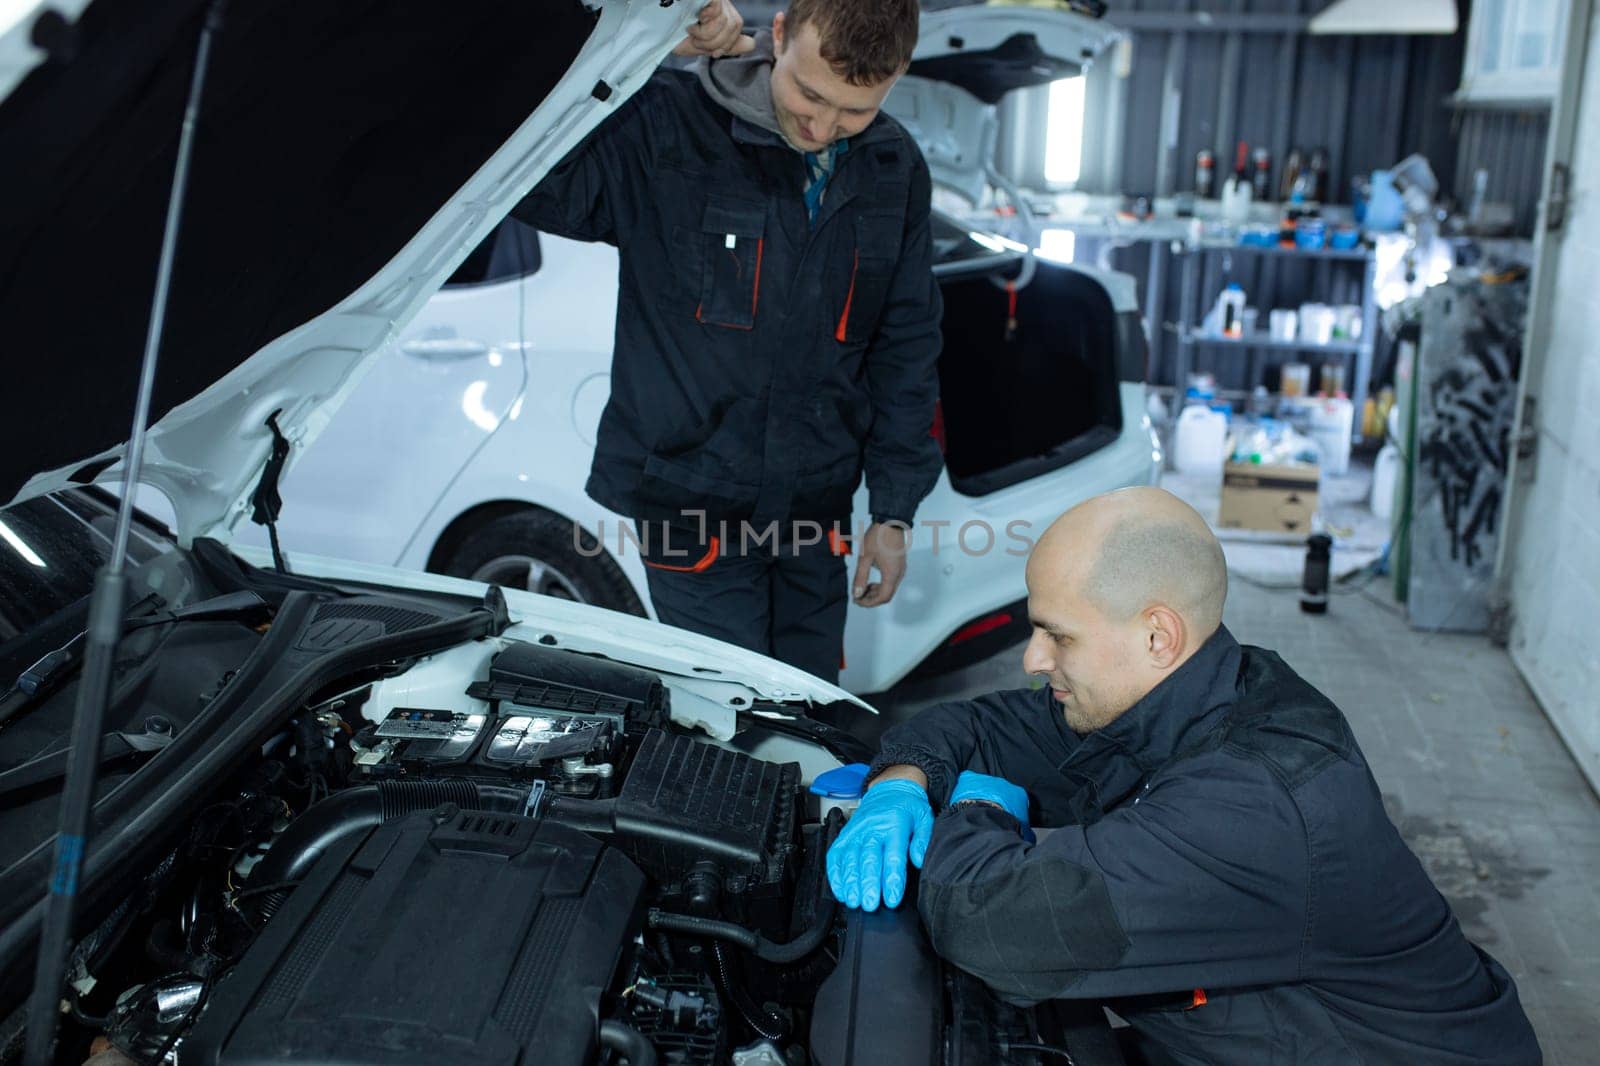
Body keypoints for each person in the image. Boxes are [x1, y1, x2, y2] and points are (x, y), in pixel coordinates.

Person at [826, 487, 1541, 1064]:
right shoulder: (1175, 690)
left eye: (1058, 634)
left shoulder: (1255, 799)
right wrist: (901, 781)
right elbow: (977, 727)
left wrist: (976, 804)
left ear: (1156, 635)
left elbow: (996, 927)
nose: (1034, 660)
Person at [513, 0, 943, 684]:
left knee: (810, 711)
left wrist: (893, 514)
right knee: (729, 723)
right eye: (809, 92)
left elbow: (905, 348)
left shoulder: (893, 168)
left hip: (812, 517)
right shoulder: (665, 127)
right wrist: (638, 50)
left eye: (854, 111)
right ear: (777, 33)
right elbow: (532, 173)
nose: (823, 126)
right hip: (690, 510)